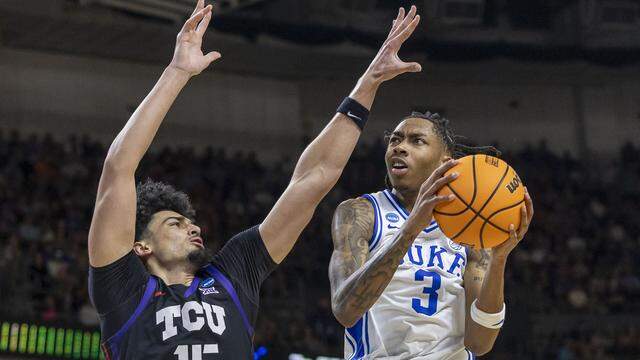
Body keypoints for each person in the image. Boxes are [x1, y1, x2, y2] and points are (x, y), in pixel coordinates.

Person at [87, 1, 424, 358]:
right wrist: (177, 72)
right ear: (141, 246)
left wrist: (368, 82)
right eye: (175, 223)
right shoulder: (123, 290)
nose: (192, 228)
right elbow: (118, 169)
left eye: (189, 221)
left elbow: (314, 178)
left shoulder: (232, 275)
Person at [329, 111, 534, 358]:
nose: (400, 147)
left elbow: (480, 343)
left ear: (444, 162)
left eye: (417, 141)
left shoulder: (470, 230)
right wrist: (410, 230)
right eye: (395, 140)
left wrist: (499, 258)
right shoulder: (362, 213)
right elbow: (345, 310)